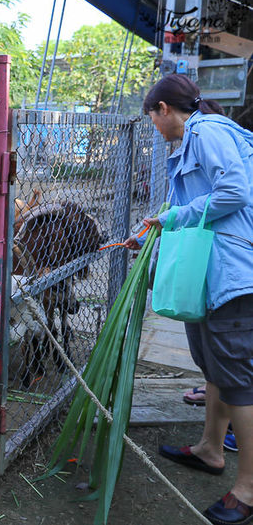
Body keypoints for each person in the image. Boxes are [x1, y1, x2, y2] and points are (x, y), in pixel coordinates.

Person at [123, 73, 253, 525]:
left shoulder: (209, 132)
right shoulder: (189, 143)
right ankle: (210, 450)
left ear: (163, 110)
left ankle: (248, 489)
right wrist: (152, 230)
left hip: (231, 274)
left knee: (238, 380)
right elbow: (192, 207)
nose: (155, 129)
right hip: (209, 274)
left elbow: (234, 193)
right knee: (214, 367)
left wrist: (175, 215)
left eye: (152, 119)